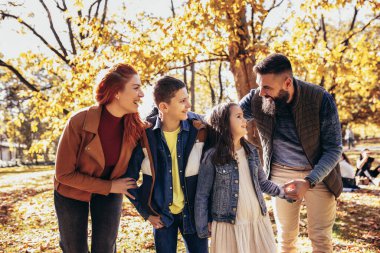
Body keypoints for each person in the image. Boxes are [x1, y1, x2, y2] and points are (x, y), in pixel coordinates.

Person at [239, 53, 343, 253]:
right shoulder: (256, 98)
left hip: (319, 174)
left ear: (287, 83)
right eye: (260, 85)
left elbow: (334, 148)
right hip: (280, 174)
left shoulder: (320, 98)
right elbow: (226, 116)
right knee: (286, 237)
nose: (261, 92)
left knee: (321, 238)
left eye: (267, 87)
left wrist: (310, 180)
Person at [54, 63, 146, 253]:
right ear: (116, 93)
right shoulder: (79, 121)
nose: (142, 94)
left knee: (105, 247)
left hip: (111, 191)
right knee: (74, 248)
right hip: (72, 190)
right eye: (136, 88)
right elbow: (63, 174)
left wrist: (199, 128)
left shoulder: (136, 127)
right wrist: (110, 186)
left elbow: (165, 129)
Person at [127, 76, 208, 253]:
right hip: (161, 216)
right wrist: (146, 213)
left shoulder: (199, 129)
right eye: (182, 101)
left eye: (187, 99)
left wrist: (209, 211)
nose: (188, 105)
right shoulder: (145, 137)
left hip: (194, 215)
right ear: (163, 106)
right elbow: (128, 179)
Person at [194, 102, 287, 253]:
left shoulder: (251, 151)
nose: (245, 121)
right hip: (229, 224)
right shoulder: (212, 156)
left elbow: (262, 182)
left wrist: (283, 192)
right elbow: (202, 195)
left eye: (244, 116)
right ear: (224, 123)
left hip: (257, 221)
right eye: (239, 117)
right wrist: (203, 226)